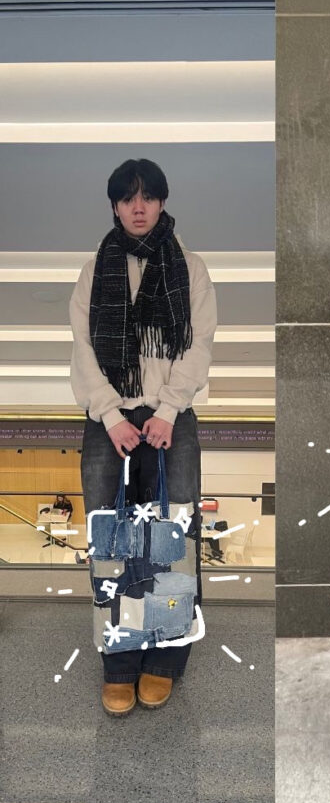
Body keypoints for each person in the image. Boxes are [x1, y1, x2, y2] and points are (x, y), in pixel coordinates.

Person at [71, 158, 216, 717]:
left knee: (173, 535)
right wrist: (111, 415)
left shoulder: (190, 267)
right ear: (113, 205)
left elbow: (199, 345)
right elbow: (83, 349)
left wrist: (169, 409)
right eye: (128, 198)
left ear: (161, 203)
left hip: (169, 420)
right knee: (109, 537)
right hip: (107, 421)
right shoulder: (94, 270)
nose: (139, 207)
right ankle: (120, 662)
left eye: (149, 197)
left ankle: (165, 659)